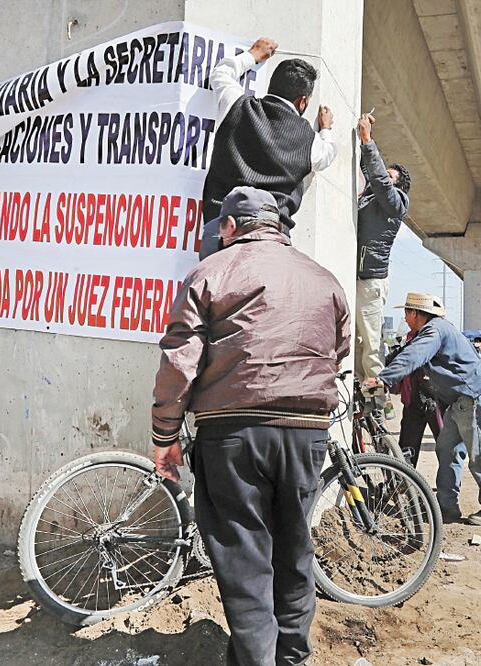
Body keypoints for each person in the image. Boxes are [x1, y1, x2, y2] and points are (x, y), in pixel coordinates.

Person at [151, 187, 350, 665]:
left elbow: (180, 362)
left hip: (233, 432)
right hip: (306, 431)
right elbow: (338, 352)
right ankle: (292, 657)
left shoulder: (211, 271)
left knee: (245, 556)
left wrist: (165, 436)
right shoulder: (324, 279)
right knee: (293, 546)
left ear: (229, 227)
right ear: (277, 227)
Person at [373, 293, 481, 526]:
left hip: (473, 395)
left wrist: (383, 379)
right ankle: (447, 506)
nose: (404, 318)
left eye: (406, 312)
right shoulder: (435, 329)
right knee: (447, 450)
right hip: (460, 399)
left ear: (415, 313)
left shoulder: (434, 330)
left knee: (480, 453)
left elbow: (414, 356)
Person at [200, 37, 337, 259]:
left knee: (212, 292)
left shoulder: (238, 106)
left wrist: (252, 55)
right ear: (302, 101)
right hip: (272, 238)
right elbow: (328, 153)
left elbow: (220, 75)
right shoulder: (310, 141)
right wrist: (326, 128)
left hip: (222, 229)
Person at [354, 112, 410, 383]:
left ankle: (376, 398)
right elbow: (370, 173)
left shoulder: (396, 201)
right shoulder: (376, 198)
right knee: (357, 339)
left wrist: (368, 141)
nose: (385, 178)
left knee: (372, 343)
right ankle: (358, 396)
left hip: (371, 281)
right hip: (363, 277)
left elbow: (379, 180)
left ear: (398, 186)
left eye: (391, 177)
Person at [392, 327, 443, 467]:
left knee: (445, 446)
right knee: (407, 447)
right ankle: (405, 484)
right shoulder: (411, 336)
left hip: (434, 398)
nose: (405, 317)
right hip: (412, 399)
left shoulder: (433, 334)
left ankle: (449, 487)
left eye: (408, 312)